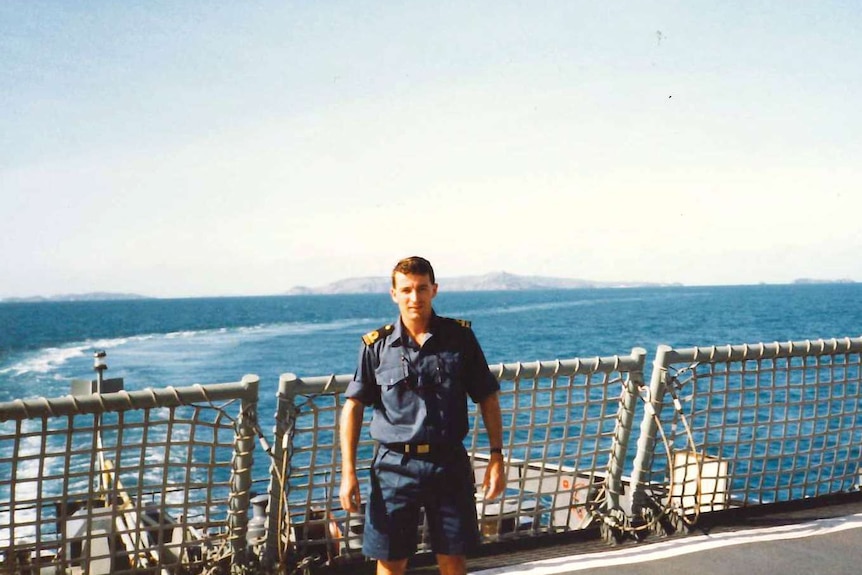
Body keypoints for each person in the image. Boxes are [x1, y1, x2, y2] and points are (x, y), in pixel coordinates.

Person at [339, 256, 505, 575]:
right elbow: (354, 407)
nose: (415, 298)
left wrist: (496, 457)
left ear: (434, 290)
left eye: (422, 289)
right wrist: (348, 472)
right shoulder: (376, 346)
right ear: (394, 294)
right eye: (407, 290)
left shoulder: (460, 339)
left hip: (448, 464)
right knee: (390, 561)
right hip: (393, 468)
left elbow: (487, 397)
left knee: (453, 559)